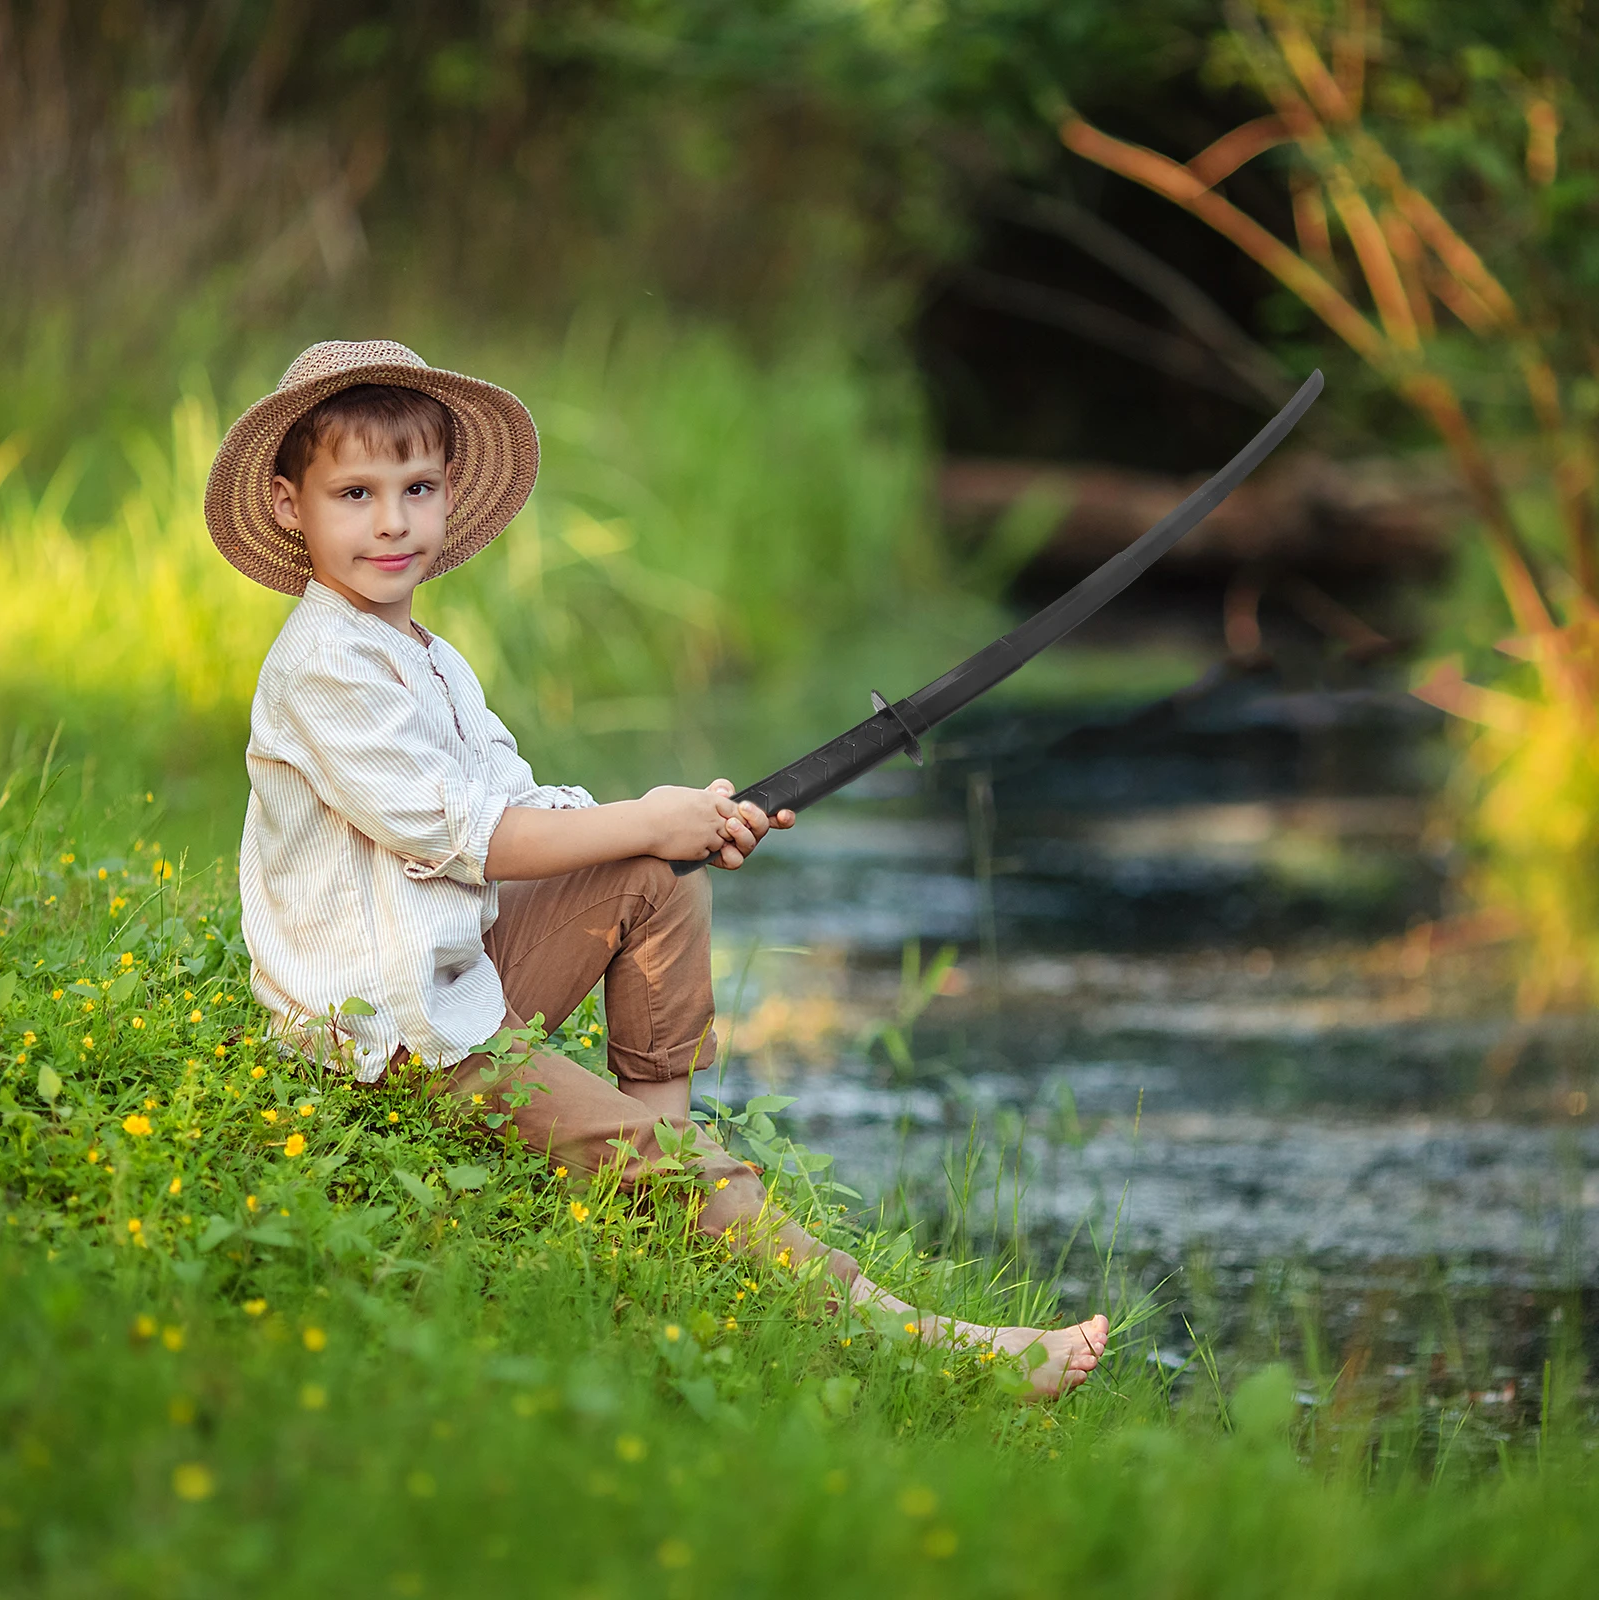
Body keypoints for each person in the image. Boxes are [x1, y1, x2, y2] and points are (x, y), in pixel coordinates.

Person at [206, 339, 1108, 1396]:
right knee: (641, 854)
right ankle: (925, 1343)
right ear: (286, 504)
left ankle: (655, 1158)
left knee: (657, 871)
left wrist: (683, 821)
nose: (392, 520)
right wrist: (647, 815)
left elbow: (526, 803)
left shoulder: (429, 657)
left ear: (450, 498)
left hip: (454, 978)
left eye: (416, 488)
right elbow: (468, 836)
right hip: (389, 1036)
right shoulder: (323, 664)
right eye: (355, 493)